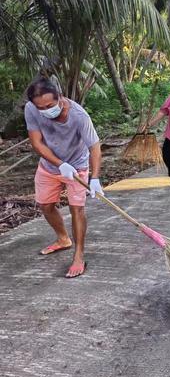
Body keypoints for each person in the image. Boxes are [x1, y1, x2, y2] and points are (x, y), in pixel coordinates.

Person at [24, 78, 103, 278]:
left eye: (49, 106)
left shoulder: (79, 116)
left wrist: (95, 178)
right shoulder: (32, 109)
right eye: (41, 107)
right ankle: (63, 239)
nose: (45, 111)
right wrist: (60, 164)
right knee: (45, 205)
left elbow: (94, 147)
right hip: (50, 165)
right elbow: (37, 143)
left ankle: (78, 255)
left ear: (60, 97)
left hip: (77, 167)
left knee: (77, 209)